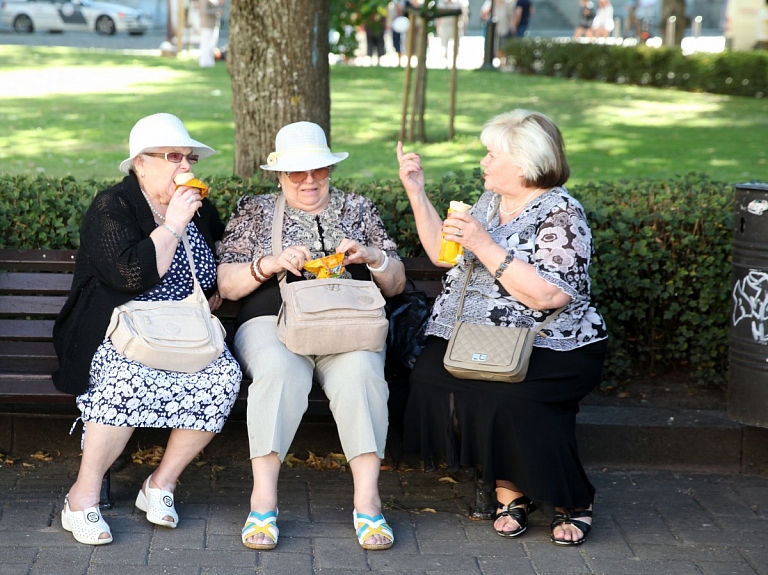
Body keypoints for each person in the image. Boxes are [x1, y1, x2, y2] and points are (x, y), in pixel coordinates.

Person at [396, 109, 608, 546]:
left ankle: (571, 498)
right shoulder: (491, 202)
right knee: (433, 376)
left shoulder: (562, 213)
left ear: (526, 163)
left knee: (513, 394)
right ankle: (508, 486)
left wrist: (485, 245)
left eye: (492, 155)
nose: (484, 163)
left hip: (553, 341)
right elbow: (443, 254)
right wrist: (416, 192)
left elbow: (548, 297)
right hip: (477, 336)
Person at [52, 113, 243, 546]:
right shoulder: (112, 206)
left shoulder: (200, 207)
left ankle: (160, 484)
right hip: (119, 324)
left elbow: (210, 268)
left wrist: (212, 288)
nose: (185, 165)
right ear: (141, 163)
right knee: (123, 378)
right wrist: (172, 224)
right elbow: (128, 275)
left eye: (189, 157)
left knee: (222, 376)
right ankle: (81, 498)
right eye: (173, 156)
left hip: (181, 326)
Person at [216, 121, 406, 551]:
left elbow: (394, 284)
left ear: (329, 169)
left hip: (348, 323)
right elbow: (226, 285)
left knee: (362, 375)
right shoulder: (257, 210)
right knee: (279, 372)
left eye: (317, 169)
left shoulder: (358, 208)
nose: (308, 180)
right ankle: (262, 502)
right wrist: (271, 263)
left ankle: (368, 503)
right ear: (279, 175)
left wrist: (374, 257)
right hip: (272, 320)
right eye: (296, 172)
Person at [198, 0, 223, 68]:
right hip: (207, 25)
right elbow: (204, 11)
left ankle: (209, 61)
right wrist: (216, 12)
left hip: (213, 24)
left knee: (211, 44)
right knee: (206, 44)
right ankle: (204, 62)